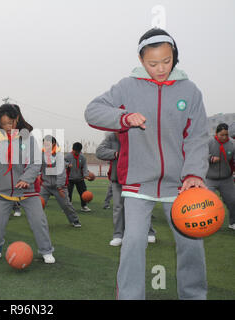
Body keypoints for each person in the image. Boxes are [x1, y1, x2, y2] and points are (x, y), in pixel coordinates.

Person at [85, 28, 209, 299]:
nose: (161, 68)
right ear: (142, 61)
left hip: (180, 186)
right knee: (133, 244)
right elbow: (92, 111)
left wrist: (193, 173)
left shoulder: (189, 91)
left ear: (174, 56)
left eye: (166, 61)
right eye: (153, 63)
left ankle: (194, 296)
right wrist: (124, 118)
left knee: (192, 247)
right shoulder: (127, 86)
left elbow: (197, 137)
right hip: (138, 183)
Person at [0, 104, 55, 264]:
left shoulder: (28, 138)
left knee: (38, 221)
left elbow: (35, 163)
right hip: (3, 190)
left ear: (17, 119)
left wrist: (26, 179)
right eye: (3, 123)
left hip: (27, 190)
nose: (7, 126)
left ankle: (46, 251)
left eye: (10, 122)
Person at [96, 132, 156, 246]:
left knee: (141, 207)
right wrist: (116, 153)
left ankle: (149, 232)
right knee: (118, 207)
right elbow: (99, 152)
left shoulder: (137, 135)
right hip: (118, 178)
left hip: (136, 178)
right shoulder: (111, 137)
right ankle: (118, 235)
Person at [40, 135, 82, 228]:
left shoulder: (59, 155)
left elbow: (61, 173)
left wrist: (59, 187)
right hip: (45, 185)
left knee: (66, 205)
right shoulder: (41, 155)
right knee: (38, 204)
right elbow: (38, 167)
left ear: (53, 144)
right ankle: (38, 223)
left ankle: (75, 220)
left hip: (58, 186)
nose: (45, 146)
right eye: (44, 144)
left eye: (47, 144)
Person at [206, 123, 235, 230]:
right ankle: (207, 223)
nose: (224, 137)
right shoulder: (209, 142)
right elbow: (201, 155)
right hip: (209, 179)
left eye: (226, 135)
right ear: (216, 133)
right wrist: (211, 159)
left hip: (227, 179)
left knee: (232, 201)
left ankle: (233, 222)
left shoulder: (232, 144)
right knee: (207, 203)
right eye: (221, 135)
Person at [65, 142, 92, 212]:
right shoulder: (68, 156)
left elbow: (84, 167)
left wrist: (85, 175)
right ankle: (68, 207)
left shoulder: (82, 157)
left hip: (80, 178)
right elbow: (62, 163)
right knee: (68, 193)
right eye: (75, 151)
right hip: (70, 178)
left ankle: (84, 206)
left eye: (78, 151)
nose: (77, 153)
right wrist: (67, 164)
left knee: (83, 192)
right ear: (72, 150)